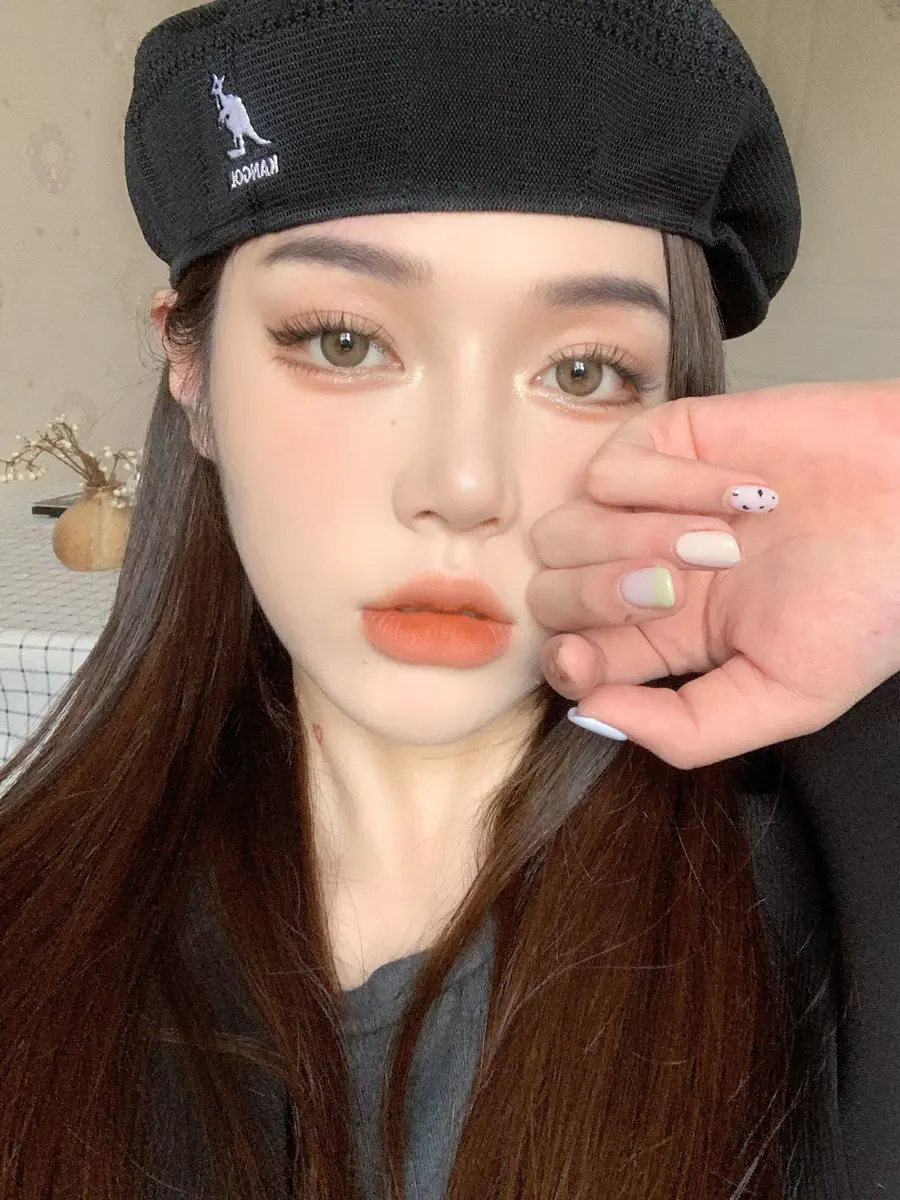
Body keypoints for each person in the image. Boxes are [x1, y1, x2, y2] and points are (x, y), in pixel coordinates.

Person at [0, 1, 896, 1197]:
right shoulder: (30, 930)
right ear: (193, 369)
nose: (465, 487)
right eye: (344, 343)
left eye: (583, 370)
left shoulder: (847, 878)